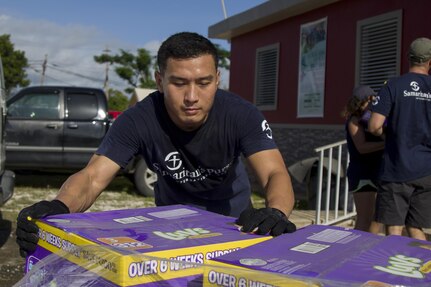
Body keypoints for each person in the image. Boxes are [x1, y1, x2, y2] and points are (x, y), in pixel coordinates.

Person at [16, 32, 296, 257]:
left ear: (217, 80)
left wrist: (276, 212)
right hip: (171, 230)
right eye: (179, 83)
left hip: (235, 226)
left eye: (204, 82)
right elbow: (91, 178)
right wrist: (58, 207)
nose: (192, 96)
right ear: (160, 81)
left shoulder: (241, 114)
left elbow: (275, 173)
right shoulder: (138, 119)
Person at [368, 37, 431, 240]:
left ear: (408, 58)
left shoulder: (393, 85)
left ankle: (394, 272)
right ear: (430, 61)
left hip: (397, 168)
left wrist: (387, 135)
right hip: (427, 170)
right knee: (416, 229)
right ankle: (423, 270)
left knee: (394, 230)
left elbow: (374, 125)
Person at [343, 85, 384, 234]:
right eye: (371, 100)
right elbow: (362, 147)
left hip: (378, 171)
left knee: (376, 218)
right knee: (364, 218)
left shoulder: (374, 119)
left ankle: (368, 249)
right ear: (361, 102)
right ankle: (352, 251)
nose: (374, 102)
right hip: (362, 173)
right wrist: (386, 144)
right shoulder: (354, 120)